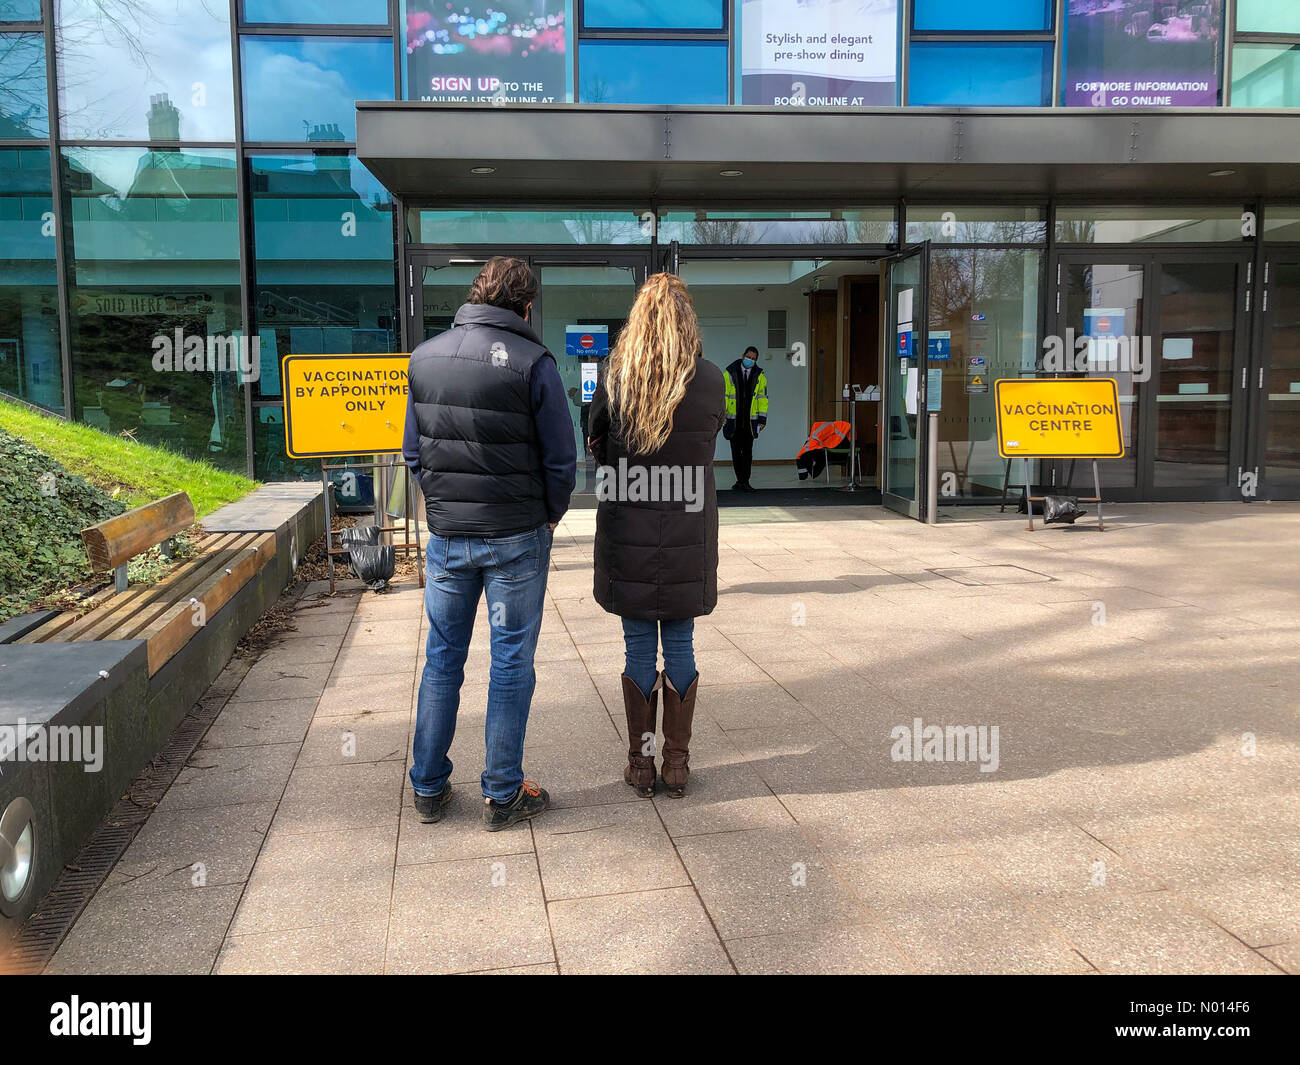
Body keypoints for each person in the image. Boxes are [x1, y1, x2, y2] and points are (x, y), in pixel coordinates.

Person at [402, 257, 575, 831]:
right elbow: (560, 458)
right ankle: (502, 794)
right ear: (525, 307)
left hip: (449, 539)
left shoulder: (425, 357)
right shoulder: (535, 362)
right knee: (510, 663)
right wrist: (550, 517)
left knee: (442, 659)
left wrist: (443, 506)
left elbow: (413, 453)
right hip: (517, 539)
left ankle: (428, 786)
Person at [588, 273, 725, 798]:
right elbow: (711, 437)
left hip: (631, 533)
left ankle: (641, 766)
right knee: (683, 642)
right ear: (686, 324)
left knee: (638, 646)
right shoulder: (710, 379)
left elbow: (595, 437)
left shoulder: (616, 378)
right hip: (689, 529)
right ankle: (677, 765)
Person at [723, 345, 769, 491]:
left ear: (756, 361)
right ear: (743, 356)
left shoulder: (760, 377)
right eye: (748, 357)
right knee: (736, 452)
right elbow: (722, 397)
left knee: (748, 452)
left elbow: (763, 399)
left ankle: (745, 481)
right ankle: (739, 480)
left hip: (750, 421)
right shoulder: (729, 373)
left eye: (753, 359)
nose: (750, 360)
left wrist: (762, 420)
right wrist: (721, 416)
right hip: (733, 420)